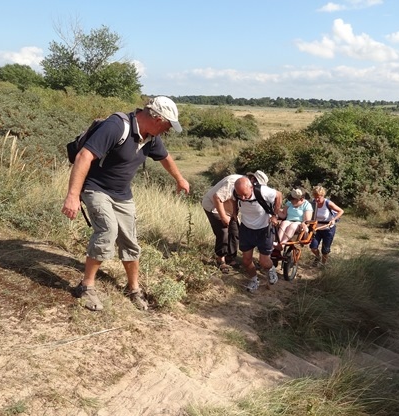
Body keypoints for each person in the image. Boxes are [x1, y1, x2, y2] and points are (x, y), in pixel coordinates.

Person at [62, 96, 190, 311]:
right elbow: (84, 156)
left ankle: (133, 288)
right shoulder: (116, 126)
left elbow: (165, 158)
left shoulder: (151, 137)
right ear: (157, 119)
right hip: (95, 187)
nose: (168, 130)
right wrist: (73, 196)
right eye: (168, 125)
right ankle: (86, 286)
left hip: (122, 193)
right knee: (107, 231)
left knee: (130, 241)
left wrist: (180, 179)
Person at [201, 170, 268, 273]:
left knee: (235, 231)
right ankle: (221, 259)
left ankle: (230, 258)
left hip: (228, 209)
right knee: (223, 231)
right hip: (213, 206)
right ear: (253, 179)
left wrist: (234, 215)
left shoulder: (249, 187)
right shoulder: (233, 182)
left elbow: (234, 199)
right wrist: (223, 216)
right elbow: (217, 198)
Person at [232, 175, 282, 292]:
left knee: (264, 262)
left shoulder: (262, 191)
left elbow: (279, 195)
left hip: (264, 229)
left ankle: (271, 270)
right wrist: (234, 212)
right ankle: (254, 280)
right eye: (240, 195)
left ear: (251, 187)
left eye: (245, 194)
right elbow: (234, 199)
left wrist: (275, 215)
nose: (243, 198)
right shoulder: (236, 192)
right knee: (246, 260)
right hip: (246, 229)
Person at [310, 185, 344, 266]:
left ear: (322, 195)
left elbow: (341, 211)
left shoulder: (328, 203)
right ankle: (317, 257)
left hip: (328, 229)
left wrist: (333, 219)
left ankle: (323, 265)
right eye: (315, 197)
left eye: (318, 197)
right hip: (316, 229)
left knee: (325, 250)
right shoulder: (313, 203)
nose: (316, 199)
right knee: (313, 247)